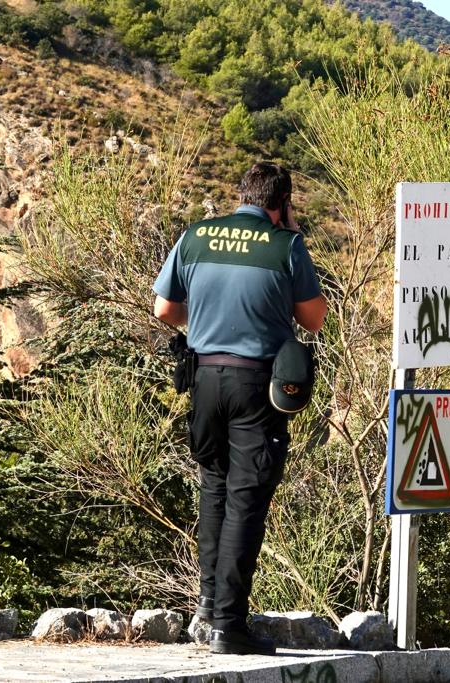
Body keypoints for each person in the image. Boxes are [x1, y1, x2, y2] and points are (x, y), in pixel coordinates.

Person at [152, 162, 327, 655]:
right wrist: (294, 237)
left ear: (242, 196)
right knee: (246, 499)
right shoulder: (285, 245)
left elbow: (165, 310)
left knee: (214, 485)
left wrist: (205, 319)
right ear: (282, 203)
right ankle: (230, 627)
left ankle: (209, 607)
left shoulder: (197, 235)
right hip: (257, 384)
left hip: (204, 377)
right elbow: (314, 320)